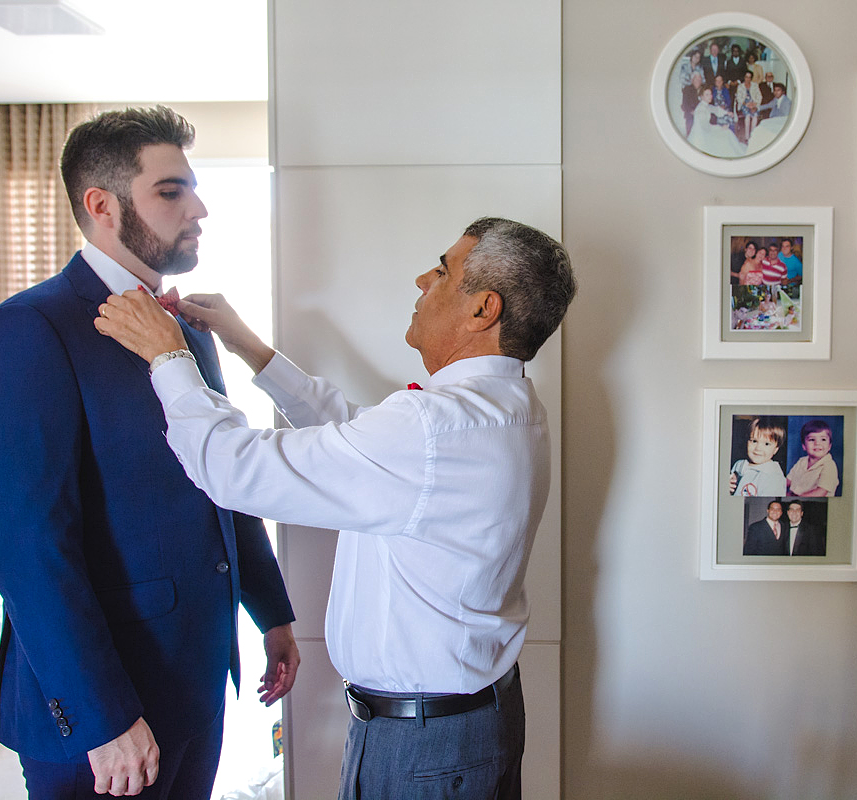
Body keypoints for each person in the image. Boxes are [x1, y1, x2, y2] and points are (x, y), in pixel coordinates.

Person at [95, 216, 576, 799]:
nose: (423, 279)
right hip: (467, 725)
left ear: (484, 310)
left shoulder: (432, 428)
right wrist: (250, 346)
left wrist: (170, 356)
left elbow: (232, 468)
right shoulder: (508, 406)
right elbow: (359, 439)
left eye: (444, 270)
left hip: (423, 745)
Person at [0, 106, 298, 799]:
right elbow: (29, 549)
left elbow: (219, 480)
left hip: (197, 683)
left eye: (192, 187)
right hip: (102, 714)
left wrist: (273, 613)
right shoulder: (29, 331)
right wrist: (102, 717)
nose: (199, 207)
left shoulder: (190, 332)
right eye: (172, 191)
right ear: (102, 205)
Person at [729, 417, 787, 498]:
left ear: (776, 449)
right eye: (754, 441)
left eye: (766, 444)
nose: (758, 448)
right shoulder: (739, 465)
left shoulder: (774, 478)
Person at [786, 419, 839, 497]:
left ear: (829, 446)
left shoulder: (829, 466)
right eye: (812, 439)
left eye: (823, 439)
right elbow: (788, 481)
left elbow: (821, 492)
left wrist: (798, 497)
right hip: (793, 496)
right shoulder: (801, 461)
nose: (817, 443)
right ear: (804, 446)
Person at [688, 86, 745, 157]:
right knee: (726, 134)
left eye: (710, 94)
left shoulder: (705, 105)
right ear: (701, 96)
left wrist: (727, 113)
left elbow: (714, 109)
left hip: (706, 130)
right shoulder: (701, 109)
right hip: (702, 135)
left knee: (727, 132)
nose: (710, 96)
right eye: (707, 95)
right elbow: (705, 128)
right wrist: (720, 128)